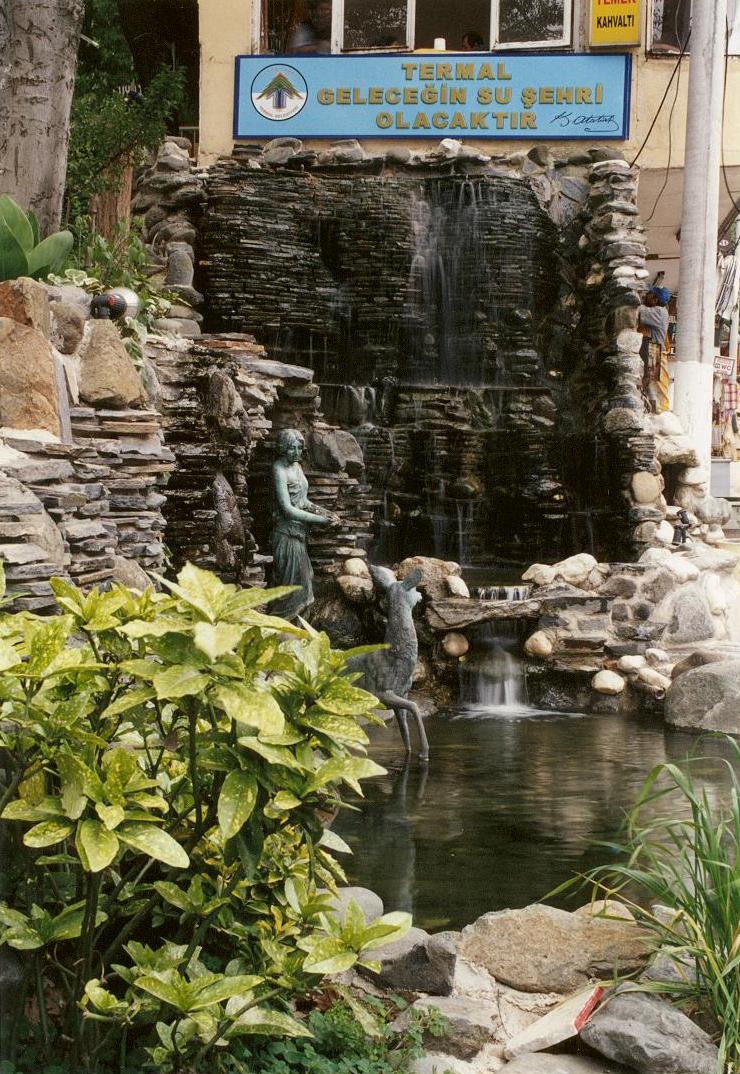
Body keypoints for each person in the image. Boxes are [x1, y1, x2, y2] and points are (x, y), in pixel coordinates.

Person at [271, 429, 337, 620]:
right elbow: (287, 509)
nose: (297, 452)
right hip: (286, 535)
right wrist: (321, 520)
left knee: (305, 581)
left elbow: (303, 501)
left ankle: (299, 628)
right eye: (292, 448)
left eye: (299, 448)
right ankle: (281, 626)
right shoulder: (278, 469)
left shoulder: (297, 467)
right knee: (290, 588)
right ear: (283, 448)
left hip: (299, 533)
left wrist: (325, 513)